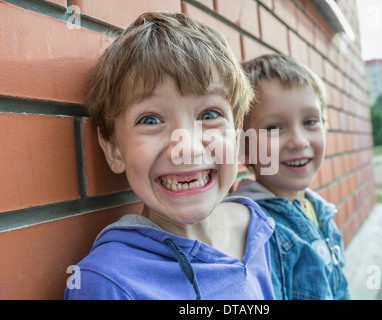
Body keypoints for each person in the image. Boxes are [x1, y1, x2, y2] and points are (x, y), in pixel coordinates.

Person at [64, 12, 275, 300]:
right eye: (150, 120)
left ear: (236, 135)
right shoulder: (106, 283)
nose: (186, 147)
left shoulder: (259, 227)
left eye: (209, 114)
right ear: (113, 148)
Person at [233, 54, 350, 300]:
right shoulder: (255, 231)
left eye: (310, 121)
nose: (299, 141)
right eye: (274, 128)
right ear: (243, 147)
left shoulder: (319, 210)